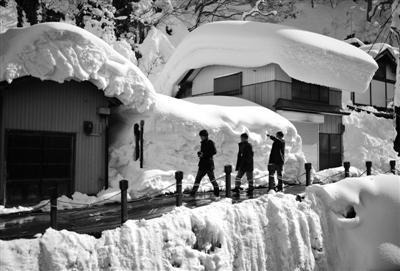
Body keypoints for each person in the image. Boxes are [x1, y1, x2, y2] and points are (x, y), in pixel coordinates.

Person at [190, 130, 220, 197]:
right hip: (202, 164)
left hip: (209, 165)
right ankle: (193, 193)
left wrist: (204, 154)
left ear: (205, 136)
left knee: (212, 179)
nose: (201, 137)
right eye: (200, 136)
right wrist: (200, 153)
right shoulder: (202, 143)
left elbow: (214, 151)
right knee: (197, 179)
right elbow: (205, 152)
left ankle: (217, 192)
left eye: (202, 136)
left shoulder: (210, 142)